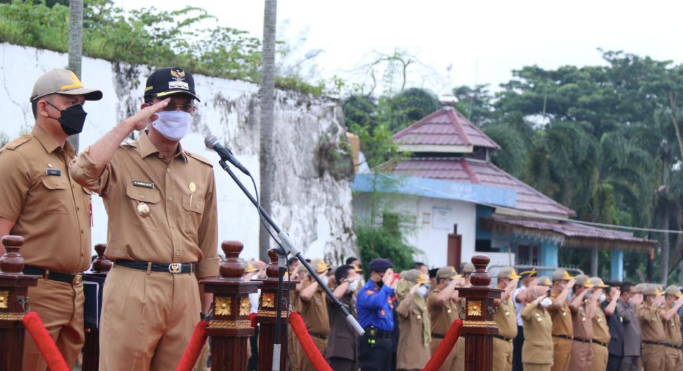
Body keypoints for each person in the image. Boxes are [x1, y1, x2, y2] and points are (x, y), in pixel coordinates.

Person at [70, 67, 220, 371]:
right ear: (148, 109)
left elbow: (207, 244)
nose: (179, 113)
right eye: (168, 105)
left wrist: (205, 309)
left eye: (186, 106)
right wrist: (129, 126)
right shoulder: (121, 159)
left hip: (186, 290)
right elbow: (82, 171)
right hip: (135, 282)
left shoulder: (201, 171)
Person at [0, 68, 102, 371]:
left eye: (82, 104)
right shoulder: (17, 158)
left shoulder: (74, 162)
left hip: (75, 292)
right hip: (33, 293)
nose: (79, 111)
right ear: (44, 107)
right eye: (71, 104)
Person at [356, 258, 398, 371]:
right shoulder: (366, 291)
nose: (388, 279)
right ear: (374, 273)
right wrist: (387, 285)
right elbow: (377, 303)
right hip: (372, 341)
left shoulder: (384, 292)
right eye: (385, 275)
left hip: (387, 340)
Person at [426, 267, 464, 371]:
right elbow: (440, 299)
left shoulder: (450, 298)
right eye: (452, 281)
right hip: (440, 342)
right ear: (443, 282)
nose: (455, 284)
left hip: (454, 343)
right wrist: (454, 284)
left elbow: (456, 296)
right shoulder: (434, 295)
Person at [299, 259, 332, 371]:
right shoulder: (307, 284)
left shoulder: (321, 291)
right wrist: (318, 279)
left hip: (324, 340)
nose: (325, 276)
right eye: (322, 273)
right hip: (312, 339)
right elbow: (305, 296)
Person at [396, 269, 431, 371]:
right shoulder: (405, 300)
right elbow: (401, 311)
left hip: (423, 356)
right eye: (420, 285)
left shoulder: (420, 301)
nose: (423, 288)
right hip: (409, 358)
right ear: (411, 284)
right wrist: (411, 292)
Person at [326, 264, 360, 371]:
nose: (355, 281)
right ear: (342, 279)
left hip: (353, 350)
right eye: (352, 278)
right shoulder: (333, 293)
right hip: (340, 350)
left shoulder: (351, 299)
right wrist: (347, 282)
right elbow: (335, 297)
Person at [521, 276, 554, 371]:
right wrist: (537, 301)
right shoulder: (531, 309)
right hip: (533, 356)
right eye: (544, 296)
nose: (546, 298)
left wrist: (551, 357)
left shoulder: (545, 313)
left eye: (547, 296)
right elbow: (524, 314)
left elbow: (548, 335)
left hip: (546, 357)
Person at [492, 267, 520, 371]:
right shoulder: (495, 292)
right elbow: (497, 301)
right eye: (511, 280)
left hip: (509, 342)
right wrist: (511, 285)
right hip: (498, 341)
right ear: (503, 280)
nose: (514, 283)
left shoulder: (507, 297)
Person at [567, 274, 597, 371]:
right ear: (577, 288)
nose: (589, 290)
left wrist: (594, 298)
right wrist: (583, 293)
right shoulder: (573, 300)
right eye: (585, 287)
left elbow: (592, 314)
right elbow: (573, 307)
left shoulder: (585, 303)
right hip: (578, 343)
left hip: (588, 345)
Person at [548, 269, 576, 371]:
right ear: (557, 283)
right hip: (557, 341)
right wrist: (568, 288)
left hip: (567, 342)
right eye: (566, 282)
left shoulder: (563, 300)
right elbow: (557, 305)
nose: (569, 284)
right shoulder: (551, 299)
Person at [512, 269, 538, 371]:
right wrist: (531, 286)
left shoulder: (534, 292)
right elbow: (519, 298)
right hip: (521, 329)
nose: (536, 279)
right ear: (527, 280)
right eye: (533, 277)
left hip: (533, 330)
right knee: (519, 360)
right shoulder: (519, 291)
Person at [638, 285, 666, 371]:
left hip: (660, 347)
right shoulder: (642, 308)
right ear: (649, 298)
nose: (661, 298)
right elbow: (646, 317)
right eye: (658, 297)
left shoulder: (654, 309)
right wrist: (655, 304)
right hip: (650, 347)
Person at [589, 277, 615, 371]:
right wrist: (594, 297)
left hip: (603, 346)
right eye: (601, 289)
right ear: (593, 290)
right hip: (595, 345)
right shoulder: (589, 303)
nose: (603, 292)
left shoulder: (598, 305)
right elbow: (590, 315)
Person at [617, 282, 642, 371]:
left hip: (635, 349)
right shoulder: (618, 305)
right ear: (625, 294)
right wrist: (633, 305)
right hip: (626, 349)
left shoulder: (630, 306)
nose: (635, 296)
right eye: (633, 294)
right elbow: (626, 317)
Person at [601, 281, 623, 371]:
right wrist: (614, 299)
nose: (616, 295)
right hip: (611, 349)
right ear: (606, 294)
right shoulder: (603, 305)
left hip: (618, 349)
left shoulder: (616, 308)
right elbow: (608, 312)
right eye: (613, 293)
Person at [661, 285, 683, 371]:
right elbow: (666, 316)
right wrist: (677, 305)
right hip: (668, 350)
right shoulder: (662, 308)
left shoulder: (674, 312)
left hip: (678, 350)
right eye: (676, 298)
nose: (678, 301)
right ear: (669, 298)